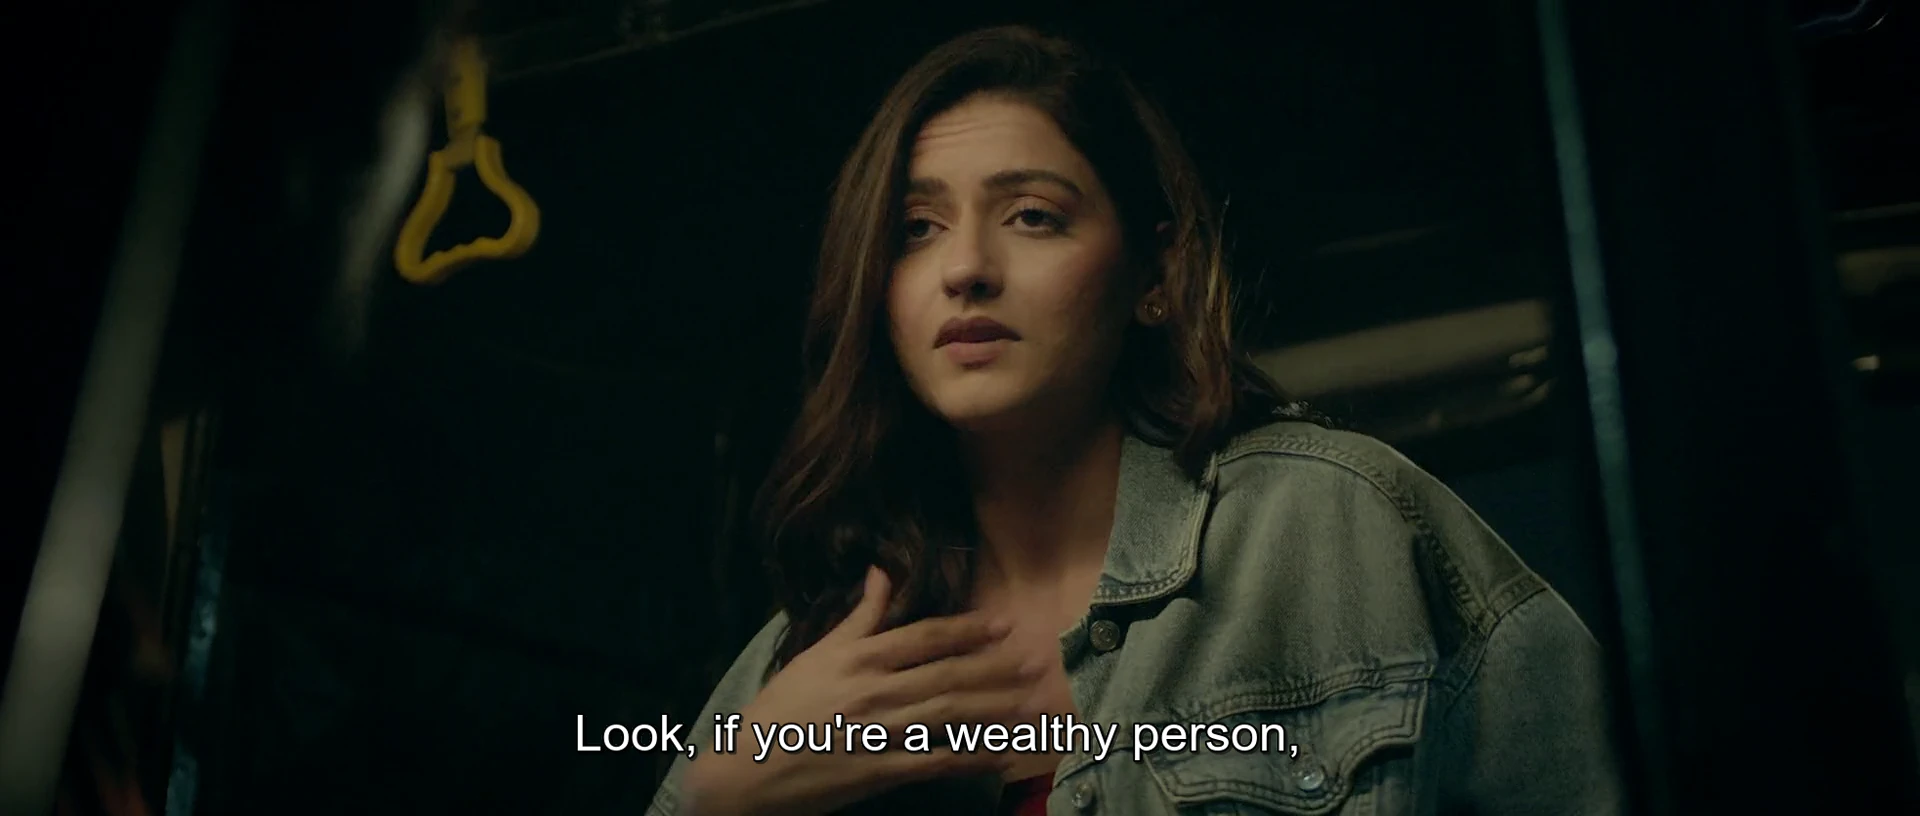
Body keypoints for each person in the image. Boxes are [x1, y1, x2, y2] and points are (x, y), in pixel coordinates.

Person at [645, 23, 1622, 816]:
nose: (965, 267)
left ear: (1157, 274)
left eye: (1032, 215)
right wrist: (724, 804)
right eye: (916, 229)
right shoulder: (813, 645)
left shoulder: (1331, 524)